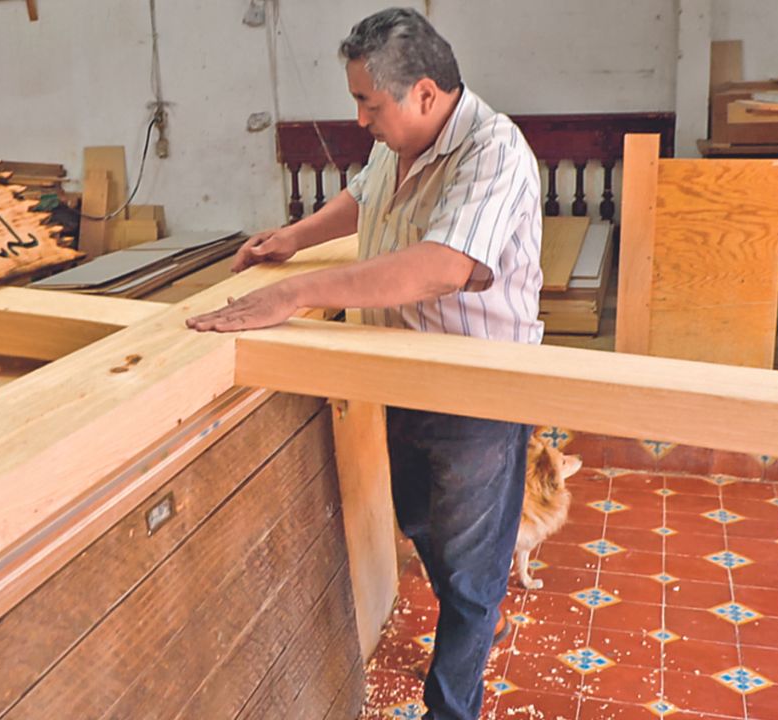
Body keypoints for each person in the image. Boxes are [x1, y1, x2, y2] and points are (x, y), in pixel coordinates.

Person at [186, 7, 543, 719]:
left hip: (475, 393)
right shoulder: (398, 142)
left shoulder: (493, 151)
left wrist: (297, 293)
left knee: (472, 574)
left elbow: (443, 265)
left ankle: (452, 704)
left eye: (367, 104)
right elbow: (362, 196)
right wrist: (293, 238)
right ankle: (472, 622)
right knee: (417, 522)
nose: (359, 119)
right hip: (398, 374)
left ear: (426, 95)